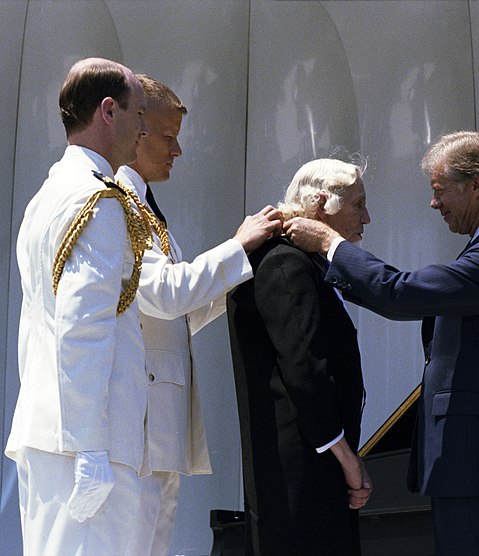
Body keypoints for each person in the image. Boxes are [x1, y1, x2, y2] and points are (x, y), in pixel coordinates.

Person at [285, 131, 479, 556]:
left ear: (476, 185)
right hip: (473, 466)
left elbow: (399, 293)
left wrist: (329, 243)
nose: (433, 203)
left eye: (440, 190)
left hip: (478, 464)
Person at [114, 75, 283, 554]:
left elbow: (175, 315)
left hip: (157, 423)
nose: (178, 151)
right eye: (169, 138)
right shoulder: (120, 204)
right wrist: (237, 246)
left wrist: (243, 268)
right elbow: (163, 295)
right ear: (136, 129)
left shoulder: (145, 206)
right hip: (139, 423)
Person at [5, 57, 152, 554]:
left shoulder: (47, 195)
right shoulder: (97, 199)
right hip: (90, 441)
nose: (144, 128)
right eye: (138, 114)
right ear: (108, 111)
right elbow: (83, 325)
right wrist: (92, 448)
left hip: (52, 432)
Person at [227, 158, 373, 555]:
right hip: (302, 475)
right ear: (321, 203)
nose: (367, 217)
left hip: (309, 468)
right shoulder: (284, 263)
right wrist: (347, 459)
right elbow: (305, 371)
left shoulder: (293, 262)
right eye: (358, 204)